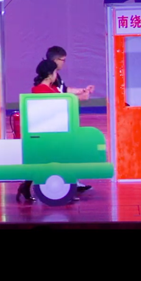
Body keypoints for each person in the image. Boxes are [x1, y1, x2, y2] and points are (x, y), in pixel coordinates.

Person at [17, 60, 81, 203]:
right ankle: (63, 192)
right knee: (54, 162)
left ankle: (26, 187)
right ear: (50, 74)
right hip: (47, 133)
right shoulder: (41, 90)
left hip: (54, 131)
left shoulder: (50, 88)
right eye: (55, 72)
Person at [45, 46, 95, 191]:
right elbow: (55, 99)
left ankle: (71, 181)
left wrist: (81, 91)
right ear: (55, 60)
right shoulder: (47, 78)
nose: (64, 63)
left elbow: (64, 90)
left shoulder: (56, 77)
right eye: (63, 60)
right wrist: (78, 98)